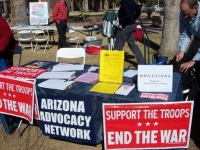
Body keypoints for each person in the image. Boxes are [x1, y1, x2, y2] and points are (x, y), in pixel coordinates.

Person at [171, 0, 200, 100]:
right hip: (198, 38)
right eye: (183, 14)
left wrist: (194, 61)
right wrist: (182, 51)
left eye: (187, 14)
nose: (185, 17)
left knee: (196, 63)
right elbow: (185, 33)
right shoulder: (183, 14)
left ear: (195, 8)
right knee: (183, 62)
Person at [114, 0, 145, 65]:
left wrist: (122, 24)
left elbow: (127, 14)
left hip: (126, 27)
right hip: (132, 25)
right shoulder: (132, 1)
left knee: (118, 46)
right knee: (132, 45)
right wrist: (134, 18)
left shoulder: (124, 2)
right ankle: (142, 63)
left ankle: (115, 65)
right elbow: (138, 10)